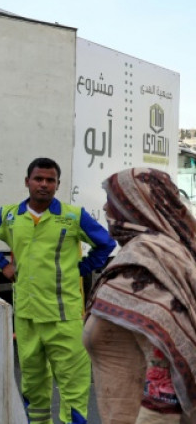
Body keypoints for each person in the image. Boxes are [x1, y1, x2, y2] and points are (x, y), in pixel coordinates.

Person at [0, 157, 116, 424]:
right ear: (27, 182)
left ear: (57, 185)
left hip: (64, 319)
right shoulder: (10, 215)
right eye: (38, 179)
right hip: (27, 317)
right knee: (33, 386)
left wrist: (81, 268)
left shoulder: (73, 217)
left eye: (50, 180)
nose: (44, 184)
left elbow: (105, 244)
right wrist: (2, 265)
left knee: (73, 387)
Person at [84, 168, 196, 422]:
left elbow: (164, 375)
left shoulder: (145, 260)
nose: (104, 207)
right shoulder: (171, 249)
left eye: (112, 200)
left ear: (134, 205)